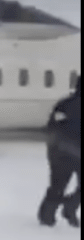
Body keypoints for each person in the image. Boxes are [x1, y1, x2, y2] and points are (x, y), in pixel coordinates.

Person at [38, 77, 81, 228]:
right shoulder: (65, 105)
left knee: (57, 185)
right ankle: (69, 207)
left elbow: (52, 126)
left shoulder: (63, 105)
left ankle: (47, 216)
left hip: (61, 152)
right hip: (72, 152)